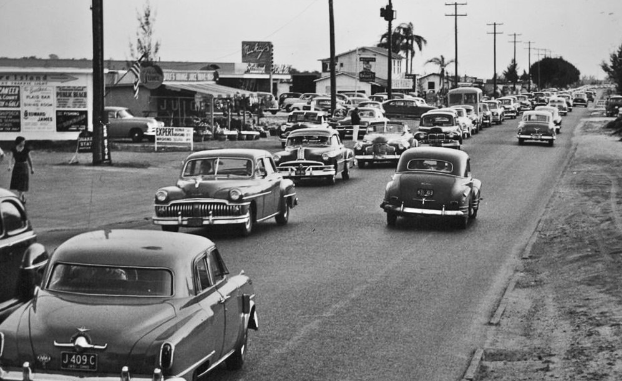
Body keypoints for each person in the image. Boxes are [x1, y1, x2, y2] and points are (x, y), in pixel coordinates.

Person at [8, 136, 34, 204]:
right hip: (17, 166)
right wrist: (9, 166)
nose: (24, 143)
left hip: (24, 166)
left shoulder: (26, 149)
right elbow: (10, 158)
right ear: (19, 142)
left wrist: (32, 168)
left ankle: (19, 197)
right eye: (23, 141)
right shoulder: (13, 149)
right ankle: (22, 195)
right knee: (18, 182)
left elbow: (29, 159)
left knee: (23, 182)